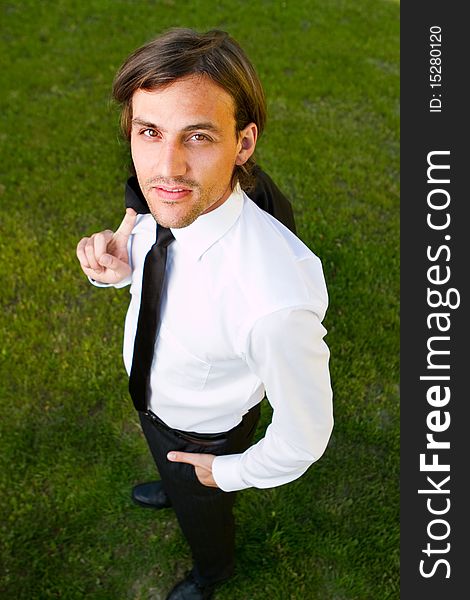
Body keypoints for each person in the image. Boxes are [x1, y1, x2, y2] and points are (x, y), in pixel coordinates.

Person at [76, 28, 333, 600]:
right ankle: (174, 483)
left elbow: (304, 435)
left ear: (244, 144)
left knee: (204, 510)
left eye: (197, 137)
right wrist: (115, 268)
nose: (166, 168)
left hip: (208, 435)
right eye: (150, 132)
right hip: (153, 402)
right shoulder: (163, 207)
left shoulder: (274, 301)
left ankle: (211, 571)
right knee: (172, 469)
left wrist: (229, 472)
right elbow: (156, 270)